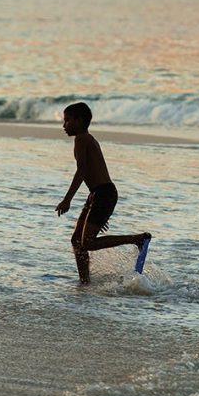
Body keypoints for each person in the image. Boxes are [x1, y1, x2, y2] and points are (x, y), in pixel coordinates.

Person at [55, 102, 150, 283]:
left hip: (104, 194)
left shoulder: (82, 139)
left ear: (79, 121)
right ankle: (85, 282)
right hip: (98, 195)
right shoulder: (86, 139)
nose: (64, 125)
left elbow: (81, 171)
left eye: (67, 121)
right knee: (77, 241)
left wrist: (67, 200)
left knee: (88, 243)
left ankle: (137, 239)